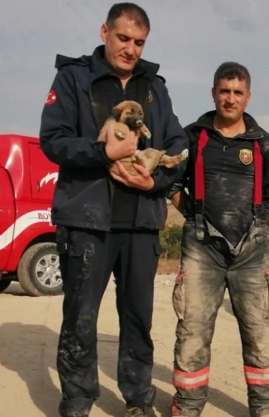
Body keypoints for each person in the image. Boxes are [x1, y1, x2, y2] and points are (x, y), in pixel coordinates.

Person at [38, 3, 189, 417]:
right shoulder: (74, 78)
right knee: (80, 317)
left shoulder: (154, 87)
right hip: (86, 220)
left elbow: (178, 144)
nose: (131, 49)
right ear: (104, 32)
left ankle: (138, 400)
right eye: (123, 38)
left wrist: (155, 182)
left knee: (138, 318)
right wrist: (102, 151)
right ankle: (77, 402)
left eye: (139, 42)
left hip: (141, 222)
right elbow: (53, 140)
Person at [168, 62, 269, 417]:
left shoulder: (262, 143)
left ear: (248, 96)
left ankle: (265, 409)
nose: (230, 99)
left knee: (260, 334)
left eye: (237, 92)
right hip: (201, 251)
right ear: (213, 93)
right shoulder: (192, 137)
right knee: (192, 331)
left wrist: (260, 230)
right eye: (224, 91)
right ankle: (187, 407)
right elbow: (172, 184)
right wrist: (194, 217)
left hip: (251, 254)